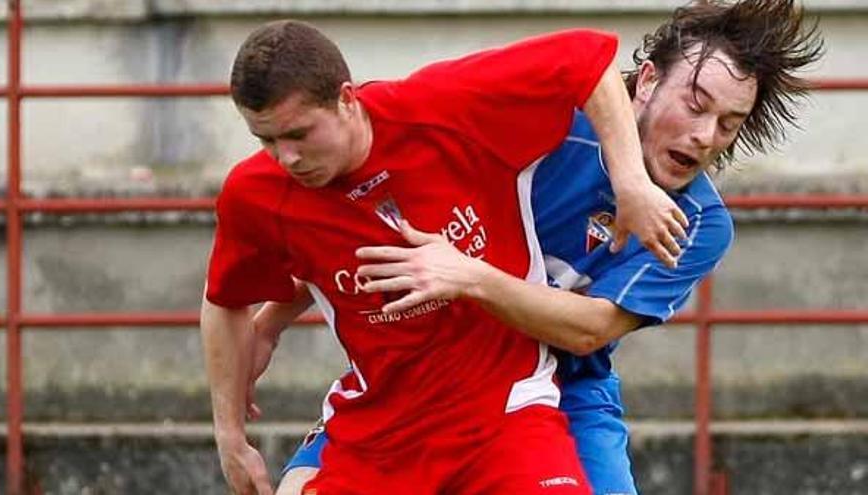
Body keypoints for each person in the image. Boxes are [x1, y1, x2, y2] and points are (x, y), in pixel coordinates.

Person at [262, 1, 824, 494]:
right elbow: (384, 212)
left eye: (729, 123)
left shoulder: (701, 223)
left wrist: (472, 276)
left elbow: (589, 329)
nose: (705, 135)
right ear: (647, 81)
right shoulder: (549, 126)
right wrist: (275, 314)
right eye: (696, 105)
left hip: (569, 385)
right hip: (437, 374)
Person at [201, 18, 690, 495]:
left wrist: (631, 183)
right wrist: (230, 435)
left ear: (347, 99)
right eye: (267, 140)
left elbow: (588, 57)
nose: (287, 158)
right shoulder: (256, 194)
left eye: (300, 134)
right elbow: (224, 299)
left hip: (507, 416)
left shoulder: (443, 107)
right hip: (381, 441)